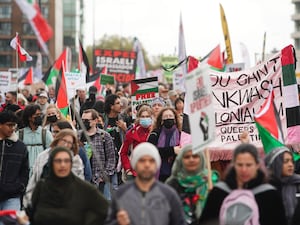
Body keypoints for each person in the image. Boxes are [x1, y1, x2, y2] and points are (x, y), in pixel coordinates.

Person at [199, 143, 287, 225]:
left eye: (248, 165)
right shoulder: (219, 192)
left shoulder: (269, 194)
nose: (244, 170)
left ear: (257, 165)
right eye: (240, 165)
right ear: (233, 165)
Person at [105, 142, 186, 225]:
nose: (147, 165)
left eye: (151, 161)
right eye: (142, 160)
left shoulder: (169, 195)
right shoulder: (121, 194)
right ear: (135, 164)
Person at [26, 147, 108, 225]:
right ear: (51, 163)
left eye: (66, 161)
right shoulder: (42, 187)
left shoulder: (83, 189)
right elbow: (31, 214)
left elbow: (107, 210)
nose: (62, 165)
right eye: (58, 161)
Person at [23, 128, 84, 208]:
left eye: (69, 143)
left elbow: (79, 184)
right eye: (64, 141)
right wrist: (28, 203)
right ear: (57, 140)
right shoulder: (43, 156)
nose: (66, 144)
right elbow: (34, 180)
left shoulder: (76, 160)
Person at [166, 144, 218, 225]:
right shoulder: (172, 183)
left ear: (201, 159)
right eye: (187, 157)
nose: (191, 160)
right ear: (180, 160)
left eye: (195, 156)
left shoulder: (212, 181)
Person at [80, 109, 116, 199]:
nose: (84, 122)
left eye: (87, 120)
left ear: (96, 120)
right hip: (82, 180)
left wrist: (104, 176)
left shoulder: (104, 136)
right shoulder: (77, 136)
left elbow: (111, 158)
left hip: (100, 181)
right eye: (82, 120)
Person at [0, 111, 29, 211]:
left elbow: (25, 170)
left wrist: (20, 187)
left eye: (14, 125)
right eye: (9, 125)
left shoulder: (20, 147)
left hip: (12, 197)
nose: (12, 128)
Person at [264, 146, 300, 225]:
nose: (290, 165)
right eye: (286, 161)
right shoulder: (265, 189)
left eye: (291, 161)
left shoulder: (298, 184)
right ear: (276, 163)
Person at [147, 107, 182, 181]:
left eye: (170, 116)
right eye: (166, 116)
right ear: (161, 120)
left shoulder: (181, 134)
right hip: (159, 174)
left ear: (175, 119)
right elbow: (151, 151)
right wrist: (172, 150)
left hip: (177, 174)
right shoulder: (155, 133)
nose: (168, 118)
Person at [17, 104, 53, 175]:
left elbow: (51, 151)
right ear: (29, 117)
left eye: (40, 114)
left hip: (41, 171)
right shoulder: (20, 134)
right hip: (25, 171)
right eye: (36, 115)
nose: (39, 117)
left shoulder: (45, 133)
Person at [120, 105, 153, 180]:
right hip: (135, 172)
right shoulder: (131, 133)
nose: (145, 118)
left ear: (151, 118)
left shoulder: (155, 132)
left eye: (147, 116)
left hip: (151, 171)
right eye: (143, 116)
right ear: (139, 118)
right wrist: (128, 169)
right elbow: (123, 153)